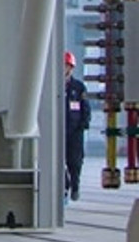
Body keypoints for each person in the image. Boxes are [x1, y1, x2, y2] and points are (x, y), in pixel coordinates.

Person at [65, 51, 91, 202]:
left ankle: (75, 186)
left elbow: (85, 107)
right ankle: (64, 185)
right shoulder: (54, 87)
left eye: (67, 66)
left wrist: (84, 123)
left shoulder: (78, 87)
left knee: (75, 161)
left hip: (75, 131)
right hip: (59, 131)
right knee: (58, 161)